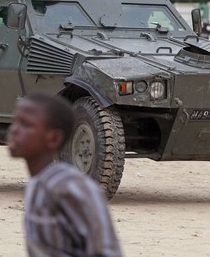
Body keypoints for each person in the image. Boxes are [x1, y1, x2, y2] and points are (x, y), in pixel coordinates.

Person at [7, 93, 123, 256]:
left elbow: (105, 250)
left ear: (54, 138)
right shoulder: (35, 187)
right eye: (15, 122)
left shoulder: (72, 188)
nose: (14, 130)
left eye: (26, 125)